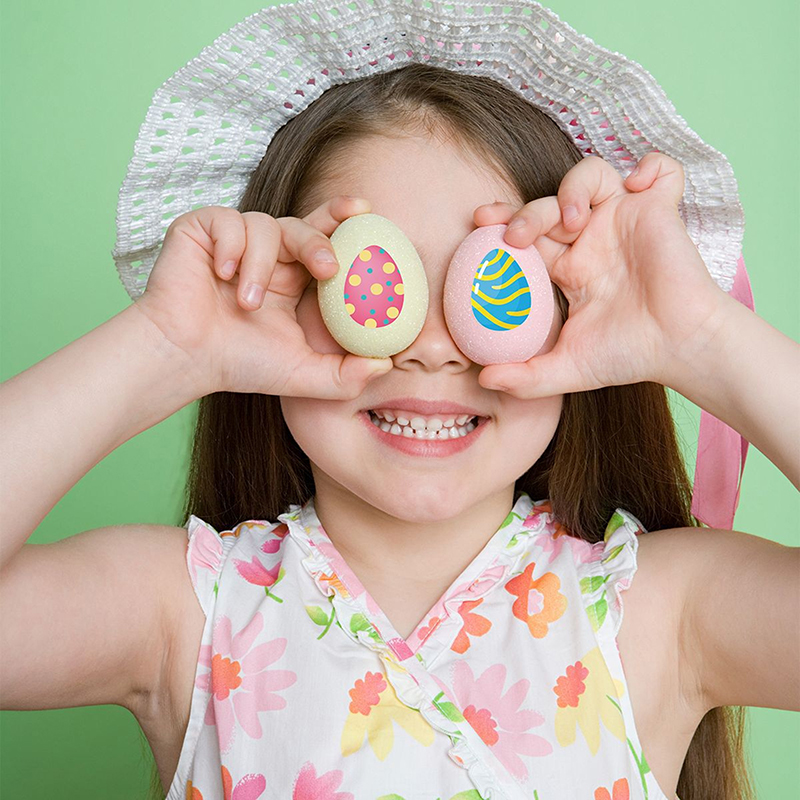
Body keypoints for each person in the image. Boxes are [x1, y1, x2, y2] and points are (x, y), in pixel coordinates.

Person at [1, 2, 798, 799]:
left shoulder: (657, 614)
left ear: (570, 316)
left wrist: (698, 337)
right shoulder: (186, 615)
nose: (432, 348)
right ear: (282, 295)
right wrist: (168, 348)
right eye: (375, 285)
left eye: (494, 288)